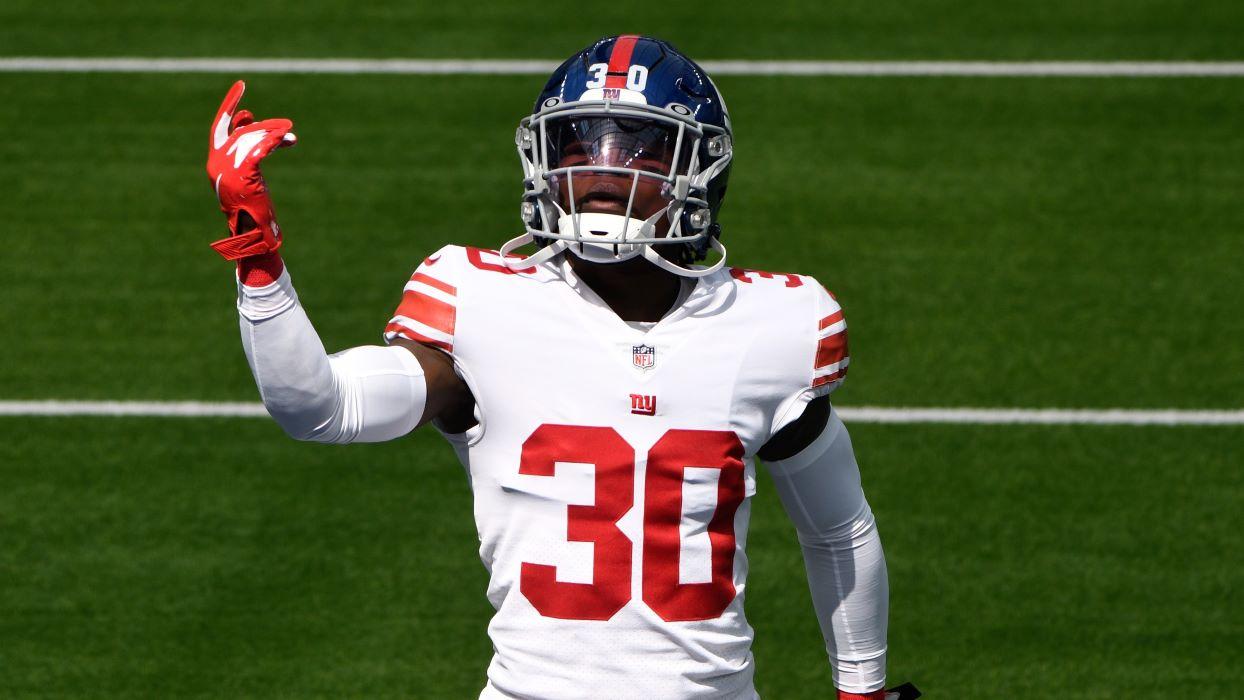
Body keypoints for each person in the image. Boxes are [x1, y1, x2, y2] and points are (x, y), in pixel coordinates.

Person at [206, 35, 891, 700]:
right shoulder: (483, 305)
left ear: (699, 172)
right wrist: (256, 251)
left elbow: (839, 528)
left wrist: (863, 690)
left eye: (640, 150)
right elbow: (318, 408)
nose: (601, 170)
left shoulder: (770, 325)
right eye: (578, 144)